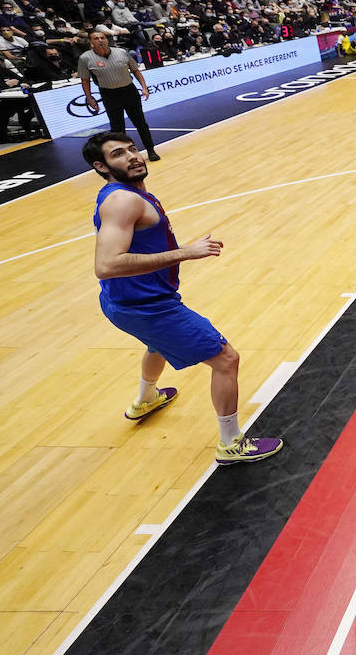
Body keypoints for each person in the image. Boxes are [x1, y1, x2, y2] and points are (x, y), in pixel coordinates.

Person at [85, 131, 281, 465]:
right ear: (100, 167)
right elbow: (106, 265)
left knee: (156, 344)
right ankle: (231, 444)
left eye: (133, 149)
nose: (133, 156)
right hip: (148, 307)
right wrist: (186, 252)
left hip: (124, 303)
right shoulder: (123, 200)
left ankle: (146, 400)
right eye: (119, 154)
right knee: (225, 360)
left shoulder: (127, 193)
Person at [78, 30, 158, 161]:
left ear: (107, 39)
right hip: (109, 94)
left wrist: (144, 87)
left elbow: (135, 70)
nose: (100, 40)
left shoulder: (121, 52)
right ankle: (123, 155)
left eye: (102, 38)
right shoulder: (85, 58)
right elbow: (85, 80)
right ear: (91, 42)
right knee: (117, 128)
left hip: (129, 91)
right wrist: (89, 97)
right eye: (96, 38)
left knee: (141, 123)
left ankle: (151, 150)